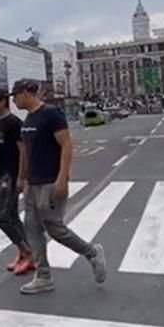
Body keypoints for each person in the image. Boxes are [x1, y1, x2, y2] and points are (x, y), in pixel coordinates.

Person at [12, 78, 106, 295]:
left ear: (28, 92)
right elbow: (25, 153)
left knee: (55, 229)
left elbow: (66, 145)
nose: (14, 99)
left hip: (50, 182)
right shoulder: (28, 120)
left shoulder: (51, 114)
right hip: (33, 184)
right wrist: (22, 179)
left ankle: (92, 253)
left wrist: (62, 179)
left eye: (16, 94)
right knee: (32, 229)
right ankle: (43, 276)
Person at [0, 87, 33, 275]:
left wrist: (21, 178)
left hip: (10, 175)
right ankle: (24, 252)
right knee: (11, 215)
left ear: (3, 101)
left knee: (1, 216)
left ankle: (27, 252)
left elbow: (23, 151)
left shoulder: (14, 123)